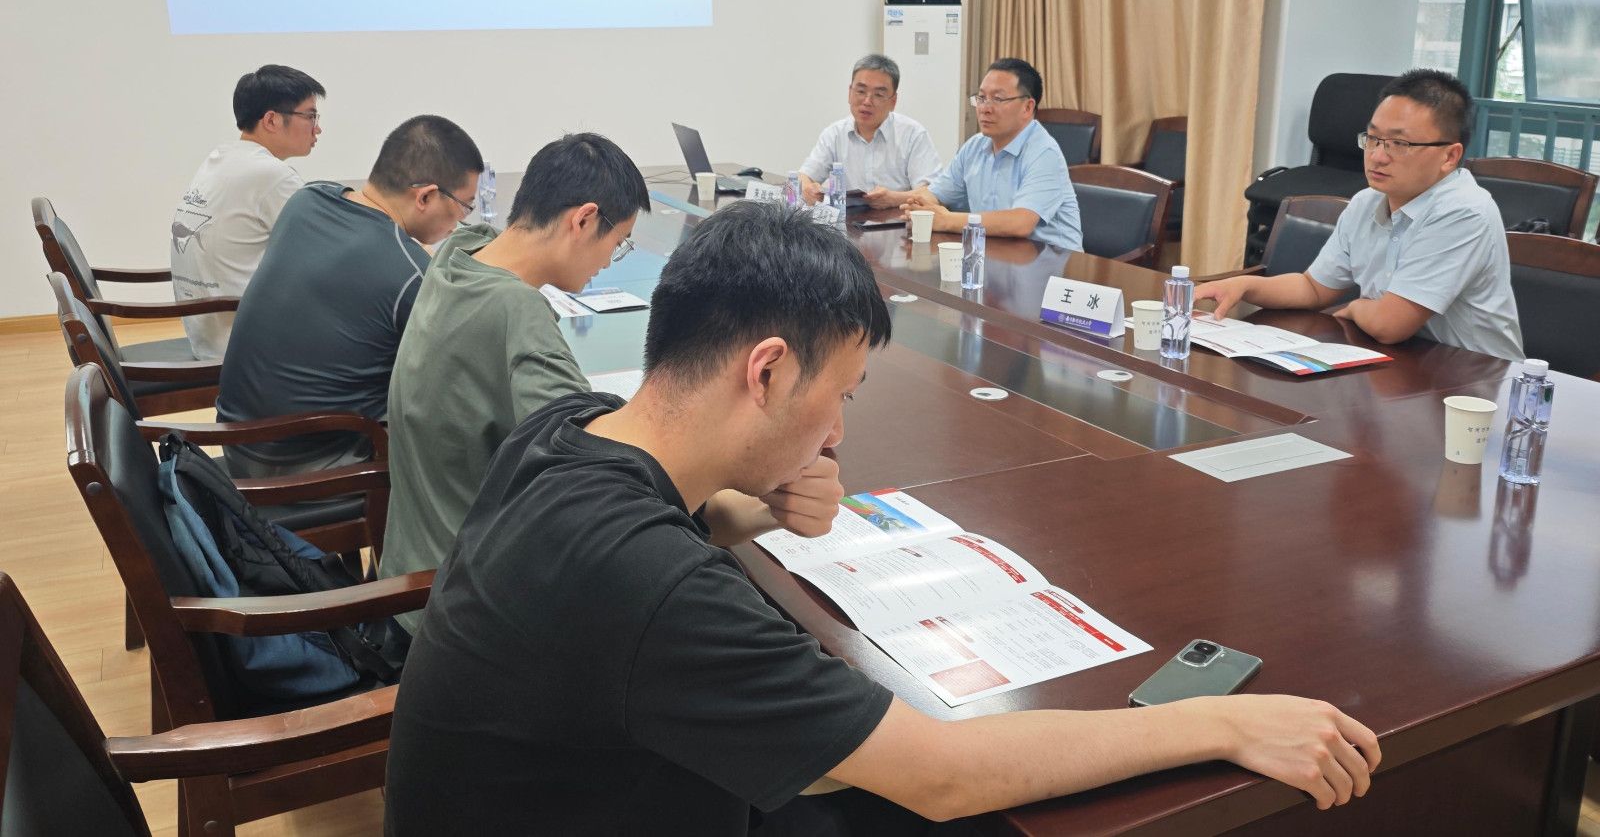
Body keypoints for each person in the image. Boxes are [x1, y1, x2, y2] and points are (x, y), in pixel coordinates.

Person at [385, 202, 1380, 836]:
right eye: (842, 396)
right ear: (766, 370)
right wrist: (1218, 720)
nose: (836, 432)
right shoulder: (651, 586)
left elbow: (672, 516)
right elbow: (943, 774)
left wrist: (749, 504)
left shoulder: (567, 428)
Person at [378, 133, 651, 650]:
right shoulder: (517, 311)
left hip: (409, 569)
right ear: (584, 220)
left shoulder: (459, 252)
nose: (609, 261)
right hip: (460, 612)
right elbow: (603, 474)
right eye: (618, 243)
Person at [215, 115, 483, 478]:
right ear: (425, 196)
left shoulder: (307, 199)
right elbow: (459, 374)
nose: (459, 223)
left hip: (236, 439)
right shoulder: (409, 274)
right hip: (308, 471)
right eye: (465, 207)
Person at [1195, 69, 1523, 361]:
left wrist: (1354, 307)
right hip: (1402, 362)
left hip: (1477, 378)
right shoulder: (1367, 202)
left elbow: (1390, 325)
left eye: (1399, 144)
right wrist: (1244, 286)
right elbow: (1313, 288)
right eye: (1373, 138)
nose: (1377, 156)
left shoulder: (1463, 211)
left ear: (1449, 156)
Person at [170, 65, 326, 361]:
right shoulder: (271, 175)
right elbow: (326, 251)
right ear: (272, 120)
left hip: (208, 335)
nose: (317, 128)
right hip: (244, 348)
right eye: (310, 116)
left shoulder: (221, 159)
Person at [902, 57, 1082, 250]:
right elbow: (936, 193)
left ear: (1027, 107)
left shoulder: (1044, 153)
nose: (985, 108)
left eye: (997, 99)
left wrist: (946, 220)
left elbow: (1020, 223)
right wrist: (919, 206)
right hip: (996, 254)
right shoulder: (974, 146)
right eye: (981, 98)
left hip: (1054, 261)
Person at [798, 54, 942, 209]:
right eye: (861, 91)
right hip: (848, 222)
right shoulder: (834, 134)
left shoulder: (913, 135)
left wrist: (894, 199)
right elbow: (803, 176)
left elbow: (933, 193)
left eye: (878, 94)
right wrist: (808, 189)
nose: (867, 101)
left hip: (900, 221)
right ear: (850, 93)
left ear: (893, 101)